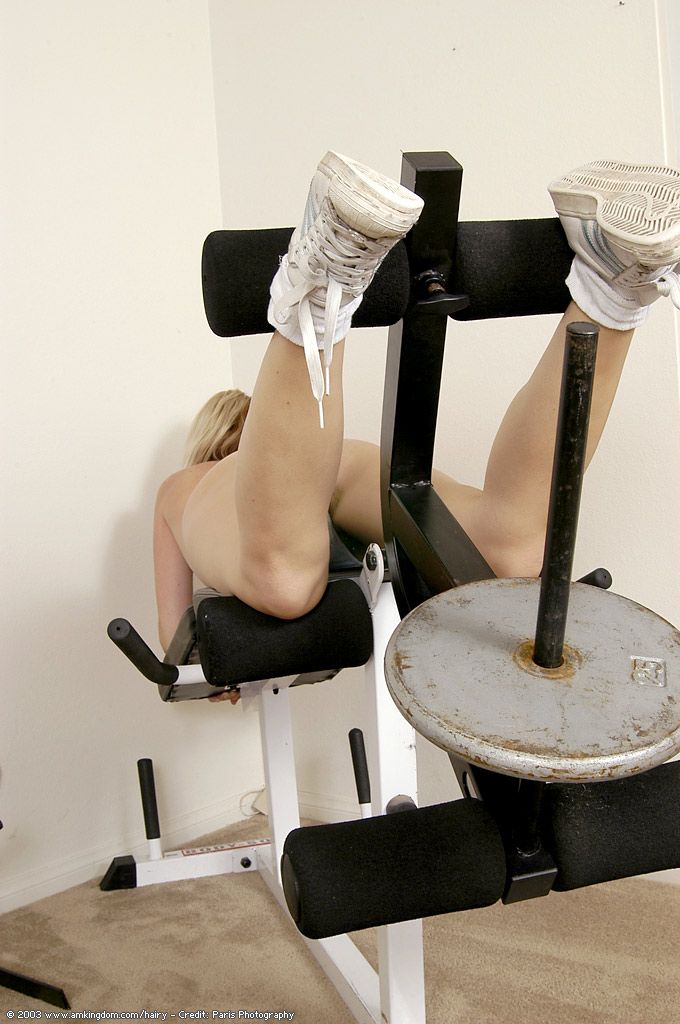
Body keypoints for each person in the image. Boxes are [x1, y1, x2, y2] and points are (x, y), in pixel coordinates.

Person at [154, 151, 680, 668]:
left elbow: (177, 645)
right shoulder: (321, 454)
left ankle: (322, 278)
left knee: (284, 582)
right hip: (345, 463)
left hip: (259, 487)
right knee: (506, 550)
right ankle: (613, 285)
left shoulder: (186, 484)